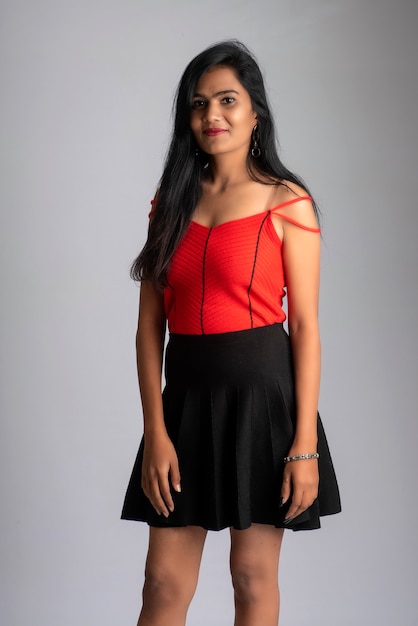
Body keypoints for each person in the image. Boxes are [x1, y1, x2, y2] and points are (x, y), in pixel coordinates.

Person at [122, 40, 341, 626]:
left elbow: (308, 328)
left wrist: (304, 446)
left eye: (226, 100)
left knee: (251, 576)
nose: (211, 116)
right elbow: (148, 328)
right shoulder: (168, 205)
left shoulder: (286, 201)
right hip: (184, 406)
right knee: (162, 583)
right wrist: (155, 433)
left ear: (255, 114)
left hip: (263, 405)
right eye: (198, 104)